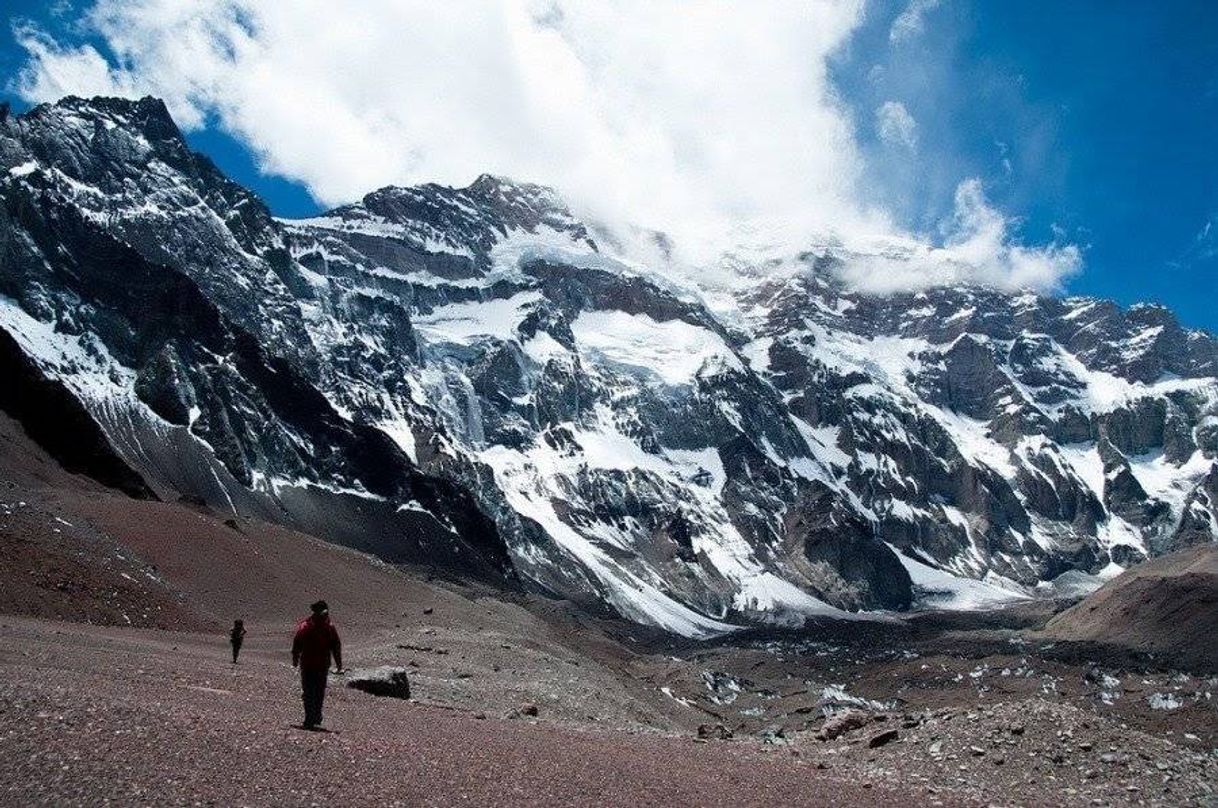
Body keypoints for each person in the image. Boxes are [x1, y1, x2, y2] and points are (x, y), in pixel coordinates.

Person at [291, 600, 343, 730]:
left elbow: (335, 646)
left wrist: (295, 658)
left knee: (313, 691)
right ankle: (312, 716)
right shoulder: (322, 626)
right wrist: (338, 664)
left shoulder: (311, 626)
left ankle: (312, 717)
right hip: (315, 664)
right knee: (314, 691)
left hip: (314, 664)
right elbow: (335, 646)